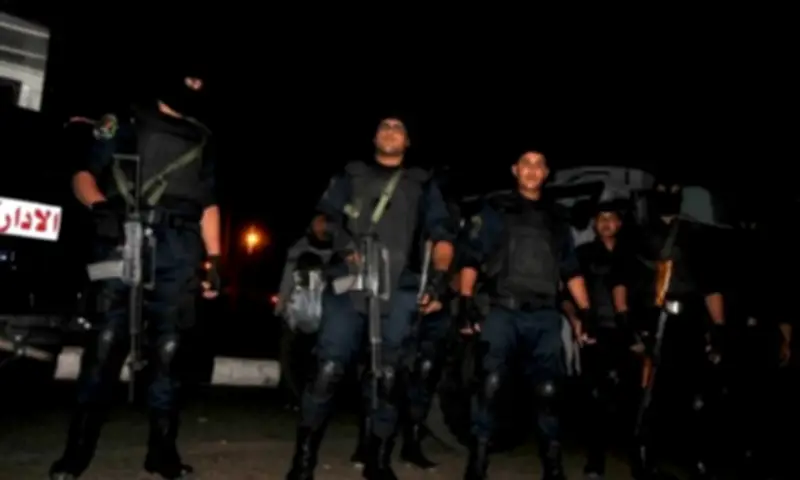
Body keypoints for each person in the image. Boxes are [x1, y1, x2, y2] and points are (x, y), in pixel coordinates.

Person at [50, 70, 220, 480]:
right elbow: (83, 175)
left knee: (171, 352)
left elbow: (209, 204)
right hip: (123, 238)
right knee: (106, 345)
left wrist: (215, 259)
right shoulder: (126, 121)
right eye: (189, 79)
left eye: (201, 82)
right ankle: (76, 453)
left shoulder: (202, 137)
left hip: (179, 248)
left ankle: (162, 453)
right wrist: (100, 208)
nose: (194, 87)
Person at [286, 116, 455, 480]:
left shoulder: (421, 183)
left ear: (407, 142)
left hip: (400, 288)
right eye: (385, 127)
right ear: (374, 137)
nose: (391, 131)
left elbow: (442, 236)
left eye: (399, 128)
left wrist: (439, 280)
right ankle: (303, 461)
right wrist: (343, 242)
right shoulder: (352, 174)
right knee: (328, 370)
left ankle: (378, 461)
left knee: (390, 376)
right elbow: (321, 221)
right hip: (349, 284)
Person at [456, 150, 592, 480]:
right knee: (489, 385)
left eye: (538, 165)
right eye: (526, 164)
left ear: (546, 173)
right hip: (503, 311)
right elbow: (472, 257)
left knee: (549, 391)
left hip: (545, 316)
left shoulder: (557, 217)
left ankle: (553, 468)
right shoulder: (496, 208)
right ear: (515, 170)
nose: (532, 170)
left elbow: (570, 269)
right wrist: (465, 302)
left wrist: (585, 312)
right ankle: (477, 465)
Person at [614, 176, 725, 480]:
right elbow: (621, 279)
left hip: (688, 322)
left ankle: (695, 457)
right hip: (649, 319)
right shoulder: (636, 233)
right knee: (649, 391)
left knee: (692, 393)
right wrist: (625, 319)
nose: (668, 195)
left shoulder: (695, 234)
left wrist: (718, 327)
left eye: (674, 190)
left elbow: (710, 285)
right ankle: (643, 457)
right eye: (663, 190)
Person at [563, 200, 639, 479]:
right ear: (594, 224)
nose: (606, 223)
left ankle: (639, 458)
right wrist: (576, 323)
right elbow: (566, 296)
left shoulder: (634, 254)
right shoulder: (582, 254)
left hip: (630, 334)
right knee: (594, 397)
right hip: (595, 332)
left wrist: (642, 334)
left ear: (620, 223)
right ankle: (595, 460)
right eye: (601, 218)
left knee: (632, 398)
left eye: (612, 218)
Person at [276, 215, 333, 408]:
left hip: (324, 312)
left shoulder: (338, 249)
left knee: (315, 358)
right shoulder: (299, 247)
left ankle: (313, 397)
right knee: (288, 353)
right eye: (317, 221)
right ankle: (291, 396)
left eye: (324, 222)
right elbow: (287, 277)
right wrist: (282, 304)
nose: (321, 225)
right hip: (295, 308)